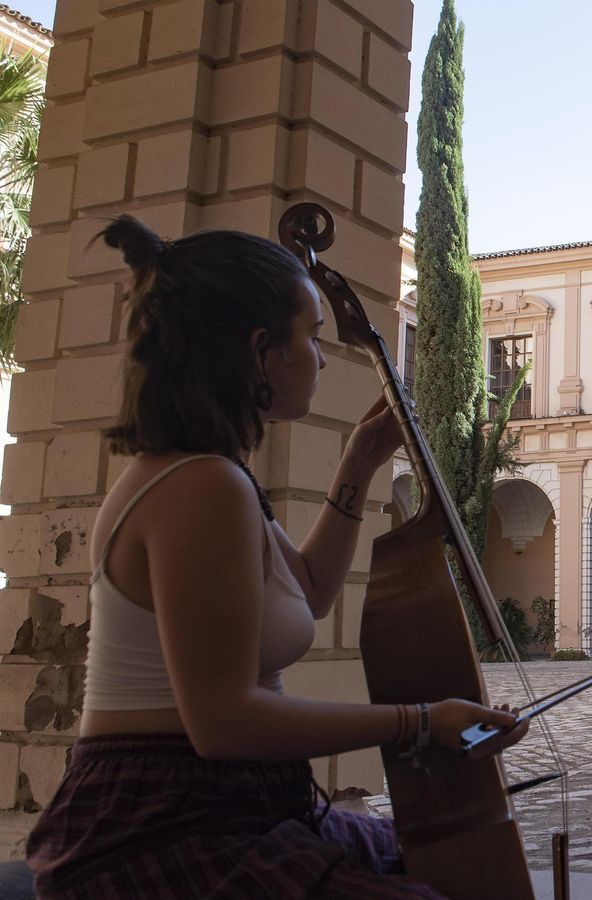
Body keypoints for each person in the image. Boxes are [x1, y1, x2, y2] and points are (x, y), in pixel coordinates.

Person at [25, 216, 530, 899]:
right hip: (165, 821)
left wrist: (357, 465)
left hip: (236, 806)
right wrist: (419, 722)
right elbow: (224, 721)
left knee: (442, 858)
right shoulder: (200, 487)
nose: (322, 357)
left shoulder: (217, 476)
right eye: (312, 336)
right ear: (263, 352)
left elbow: (308, 594)